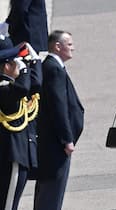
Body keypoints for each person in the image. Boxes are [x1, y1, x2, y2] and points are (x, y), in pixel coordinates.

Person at [33, 30, 84, 210]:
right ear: (57, 46)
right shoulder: (53, 69)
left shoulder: (54, 67)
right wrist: (67, 139)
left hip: (53, 144)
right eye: (69, 44)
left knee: (49, 193)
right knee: (51, 194)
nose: (73, 48)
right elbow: (58, 107)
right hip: (55, 146)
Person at [0, 35, 42, 210]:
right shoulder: (4, 88)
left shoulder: (11, 85)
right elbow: (23, 88)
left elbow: (35, 84)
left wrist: (35, 62)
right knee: (8, 205)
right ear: (7, 66)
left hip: (18, 155)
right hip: (11, 157)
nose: (18, 64)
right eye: (15, 62)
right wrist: (25, 69)